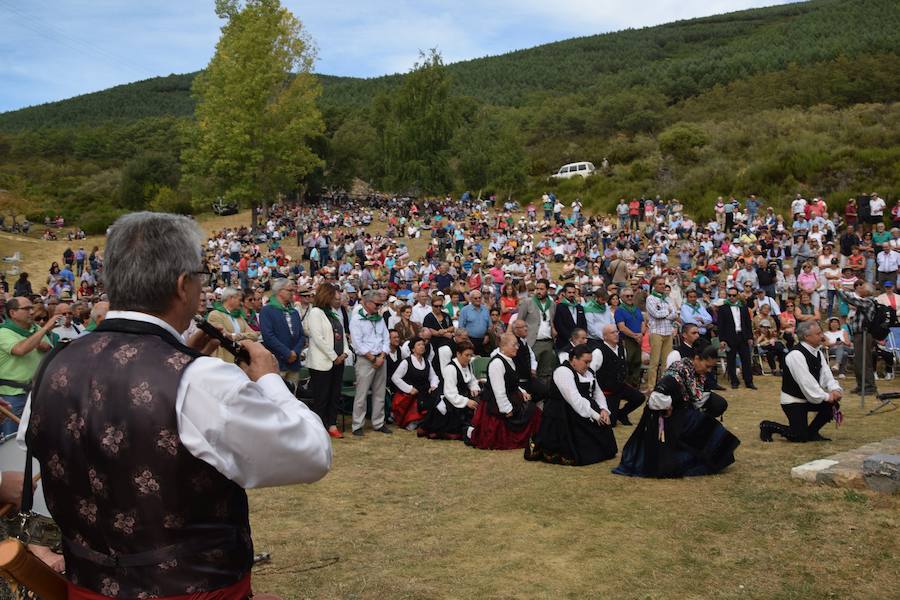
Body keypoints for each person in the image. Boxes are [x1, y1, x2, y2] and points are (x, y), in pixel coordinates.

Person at [20, 212, 331, 599]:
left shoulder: (54, 365)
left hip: (88, 586)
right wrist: (268, 378)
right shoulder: (201, 379)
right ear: (184, 285)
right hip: (190, 589)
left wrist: (179, 360)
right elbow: (311, 453)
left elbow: (60, 450)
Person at [613, 345, 741, 478]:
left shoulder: (693, 372)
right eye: (707, 366)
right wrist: (668, 405)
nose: (708, 370)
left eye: (711, 368)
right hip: (663, 419)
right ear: (697, 358)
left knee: (709, 425)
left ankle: (716, 457)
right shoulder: (678, 372)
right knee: (705, 427)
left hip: (680, 414)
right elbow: (655, 398)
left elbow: (694, 397)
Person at [525, 344, 616, 466]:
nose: (588, 365)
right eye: (585, 362)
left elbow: (597, 392)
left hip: (585, 409)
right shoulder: (563, 372)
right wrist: (596, 415)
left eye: (590, 362)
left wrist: (604, 410)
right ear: (573, 359)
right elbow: (574, 400)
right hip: (564, 413)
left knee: (605, 441)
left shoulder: (589, 372)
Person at [760, 321, 843, 443]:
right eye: (818, 333)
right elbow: (806, 383)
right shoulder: (796, 355)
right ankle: (767, 426)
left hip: (809, 398)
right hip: (794, 400)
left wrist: (835, 389)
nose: (822, 336)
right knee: (799, 437)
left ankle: (812, 432)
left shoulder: (818, 353)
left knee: (833, 405)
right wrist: (827, 396)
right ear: (806, 337)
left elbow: (827, 376)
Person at [469, 333, 541, 450]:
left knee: (534, 411)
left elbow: (512, 382)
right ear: (504, 346)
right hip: (496, 404)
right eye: (514, 345)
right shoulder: (497, 363)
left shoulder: (509, 360)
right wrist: (507, 409)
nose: (517, 347)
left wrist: (522, 392)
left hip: (511, 398)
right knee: (532, 412)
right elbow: (499, 391)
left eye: (517, 345)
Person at [0, 298, 57, 436]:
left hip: (37, 392)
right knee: (13, 438)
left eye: (32, 308)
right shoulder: (3, 333)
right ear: (13, 313)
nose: (32, 312)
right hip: (14, 396)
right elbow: (20, 350)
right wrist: (45, 328)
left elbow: (49, 349)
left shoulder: (34, 329)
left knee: (38, 436)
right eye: (26, 309)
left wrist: (44, 346)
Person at [306, 283, 348, 439]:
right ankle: (320, 426)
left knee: (334, 395)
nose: (336, 299)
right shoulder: (316, 313)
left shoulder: (334, 314)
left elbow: (342, 335)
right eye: (333, 296)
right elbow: (318, 338)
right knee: (322, 397)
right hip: (322, 363)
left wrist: (345, 353)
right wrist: (333, 356)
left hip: (338, 361)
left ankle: (332, 424)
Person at [349, 290, 393, 436]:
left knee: (379, 393)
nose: (379, 307)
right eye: (377, 304)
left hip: (380, 358)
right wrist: (373, 359)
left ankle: (379, 423)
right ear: (367, 303)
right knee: (361, 394)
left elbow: (386, 339)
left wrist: (382, 355)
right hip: (366, 360)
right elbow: (357, 343)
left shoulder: (379, 319)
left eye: (381, 304)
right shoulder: (356, 319)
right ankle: (357, 425)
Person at [417, 340, 479, 440]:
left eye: (471, 356)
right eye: (466, 355)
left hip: (461, 397)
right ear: (458, 354)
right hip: (449, 401)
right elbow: (450, 393)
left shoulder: (468, 365)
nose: (469, 358)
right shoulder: (451, 368)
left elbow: (471, 379)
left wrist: (474, 387)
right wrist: (467, 401)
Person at [665, 324, 728, 419]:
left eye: (698, 333)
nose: (697, 335)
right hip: (681, 397)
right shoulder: (676, 354)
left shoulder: (703, 349)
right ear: (684, 335)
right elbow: (669, 380)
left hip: (699, 392)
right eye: (694, 333)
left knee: (719, 404)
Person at [594, 324, 645, 426]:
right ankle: (614, 414)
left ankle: (622, 414)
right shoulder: (598, 352)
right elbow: (591, 372)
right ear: (605, 336)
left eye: (617, 332)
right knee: (611, 423)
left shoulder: (622, 349)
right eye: (612, 333)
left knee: (640, 398)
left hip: (621, 387)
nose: (616, 334)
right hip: (608, 391)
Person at [259, 278, 306, 388]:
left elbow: (301, 335)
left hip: (294, 364)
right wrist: (287, 353)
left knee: (292, 396)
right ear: (280, 291)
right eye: (290, 291)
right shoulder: (267, 310)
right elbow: (268, 336)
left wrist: (295, 352)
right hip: (277, 362)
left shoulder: (293, 312)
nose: (292, 294)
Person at [391, 336, 440, 430]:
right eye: (419, 345)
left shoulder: (427, 362)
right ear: (413, 349)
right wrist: (409, 389)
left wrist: (433, 386)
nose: (422, 347)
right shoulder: (406, 362)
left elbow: (433, 376)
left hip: (425, 391)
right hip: (412, 394)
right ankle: (414, 420)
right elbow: (395, 378)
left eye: (423, 345)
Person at [717, 288, 756, 390]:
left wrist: (750, 337)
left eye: (734, 295)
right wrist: (722, 339)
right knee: (731, 360)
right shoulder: (723, 308)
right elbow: (720, 326)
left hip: (742, 336)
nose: (731, 297)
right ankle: (734, 381)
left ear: (737, 295)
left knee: (746, 360)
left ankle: (749, 381)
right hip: (730, 337)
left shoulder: (743, 307)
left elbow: (748, 323)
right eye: (729, 295)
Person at [516, 279, 556, 377]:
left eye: (541, 289)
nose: (538, 291)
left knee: (546, 372)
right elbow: (519, 321)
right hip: (532, 342)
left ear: (547, 290)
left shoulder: (552, 304)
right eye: (537, 289)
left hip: (548, 342)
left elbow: (552, 322)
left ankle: (544, 391)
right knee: (531, 371)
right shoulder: (527, 302)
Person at [206, 287, 258, 362]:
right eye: (239, 300)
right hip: (224, 360)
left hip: (240, 360)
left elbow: (254, 335)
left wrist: (236, 336)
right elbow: (224, 337)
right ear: (230, 298)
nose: (241, 303)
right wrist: (244, 337)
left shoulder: (239, 317)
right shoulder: (215, 315)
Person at [645, 275, 678, 388]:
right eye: (659, 284)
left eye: (663, 284)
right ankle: (651, 387)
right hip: (656, 332)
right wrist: (668, 312)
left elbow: (675, 314)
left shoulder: (668, 298)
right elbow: (656, 314)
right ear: (654, 285)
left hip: (668, 332)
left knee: (666, 362)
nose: (662, 286)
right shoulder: (650, 298)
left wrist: (667, 313)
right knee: (654, 362)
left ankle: (664, 386)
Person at [615, 287, 645, 389]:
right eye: (627, 296)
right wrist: (635, 336)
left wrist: (641, 334)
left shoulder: (636, 309)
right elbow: (621, 327)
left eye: (631, 295)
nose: (630, 297)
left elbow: (643, 322)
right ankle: (626, 386)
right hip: (627, 340)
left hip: (638, 339)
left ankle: (635, 384)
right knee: (627, 362)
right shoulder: (619, 310)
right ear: (622, 297)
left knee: (637, 362)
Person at [553, 282, 587, 350]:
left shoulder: (579, 307)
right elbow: (559, 325)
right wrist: (571, 338)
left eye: (573, 292)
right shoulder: (559, 307)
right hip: (565, 342)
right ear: (564, 293)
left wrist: (582, 337)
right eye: (569, 292)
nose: (572, 294)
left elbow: (584, 324)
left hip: (580, 343)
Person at [458, 290, 490, 355]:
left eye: (479, 297)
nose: (478, 299)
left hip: (484, 340)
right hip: (469, 340)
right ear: (471, 299)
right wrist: (467, 340)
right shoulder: (465, 310)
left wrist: (487, 335)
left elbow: (489, 325)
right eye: (475, 298)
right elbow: (461, 327)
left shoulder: (486, 309)